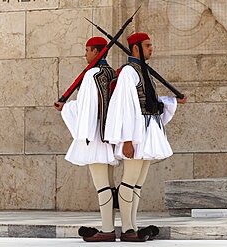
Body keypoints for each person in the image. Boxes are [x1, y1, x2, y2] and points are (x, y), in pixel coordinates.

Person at [104, 32, 187, 242]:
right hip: (136, 133)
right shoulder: (128, 73)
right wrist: (128, 139)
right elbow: (124, 108)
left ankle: (132, 225)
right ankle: (126, 229)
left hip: (148, 131)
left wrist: (173, 101)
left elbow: (151, 102)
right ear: (135, 48)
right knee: (129, 181)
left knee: (138, 182)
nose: (152, 48)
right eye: (147, 45)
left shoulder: (144, 71)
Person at [54, 37, 118, 242]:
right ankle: (114, 227)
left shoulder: (92, 74)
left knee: (102, 186)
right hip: (109, 135)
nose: (85, 55)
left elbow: (85, 110)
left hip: (95, 137)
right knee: (109, 183)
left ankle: (107, 230)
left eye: (88, 50)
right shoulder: (111, 72)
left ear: (96, 52)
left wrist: (66, 108)